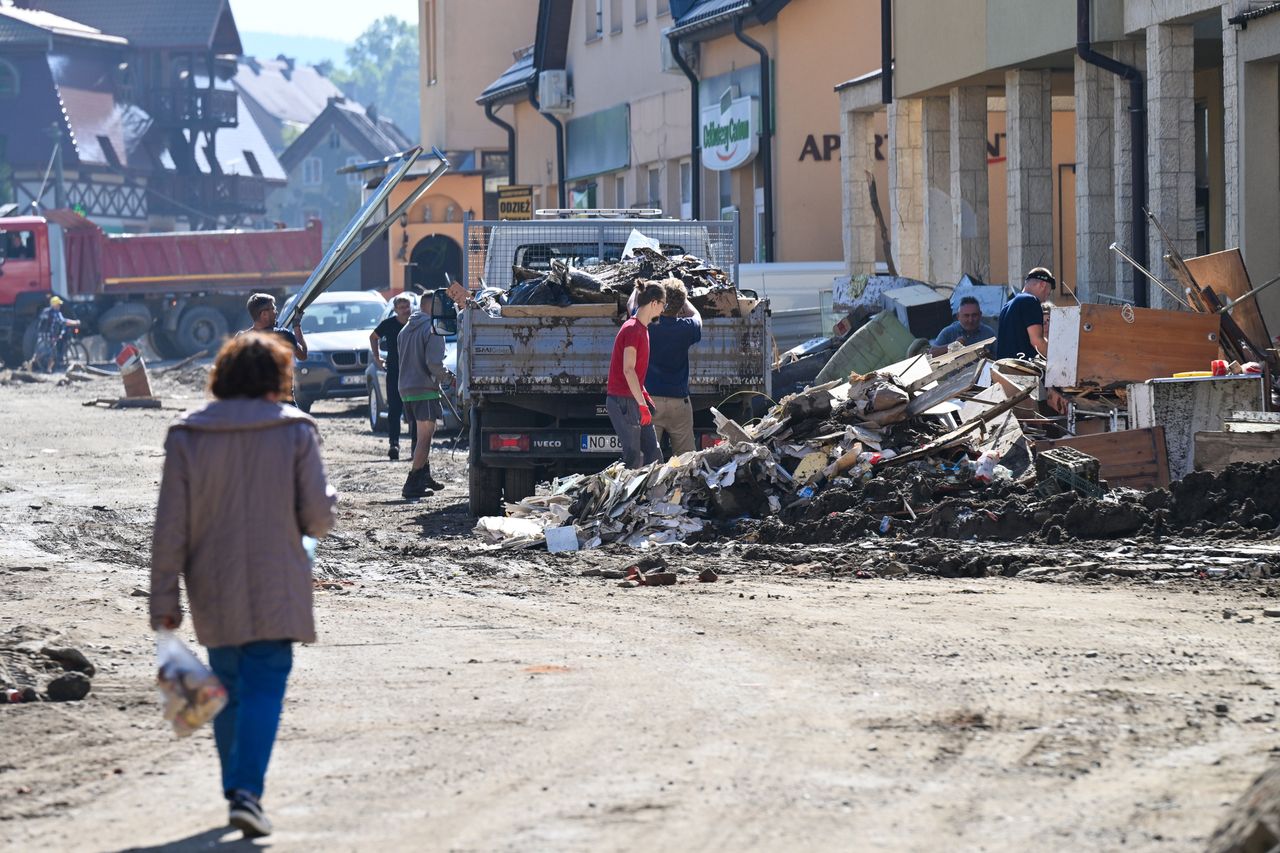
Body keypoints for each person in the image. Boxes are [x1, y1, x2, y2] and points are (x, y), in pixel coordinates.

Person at [149, 332, 337, 839]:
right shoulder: (297, 432)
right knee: (265, 683)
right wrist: (326, 502)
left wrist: (164, 600)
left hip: (212, 586)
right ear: (278, 380)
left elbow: (171, 527)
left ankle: (237, 791)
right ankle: (247, 793)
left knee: (226, 683)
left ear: (222, 377)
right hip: (278, 581)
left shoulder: (187, 436)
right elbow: (317, 519)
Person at [397, 295, 453, 499]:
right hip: (424, 389)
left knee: (423, 433)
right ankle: (412, 484)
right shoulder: (433, 329)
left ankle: (424, 476)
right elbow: (434, 363)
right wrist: (448, 377)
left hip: (406, 389)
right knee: (425, 438)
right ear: (434, 306)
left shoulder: (405, 330)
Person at [607, 281, 666, 469]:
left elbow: (634, 373)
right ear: (654, 303)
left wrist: (644, 396)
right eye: (663, 304)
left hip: (632, 400)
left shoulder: (642, 329)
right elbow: (628, 369)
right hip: (623, 402)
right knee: (633, 456)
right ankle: (628, 499)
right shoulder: (633, 330)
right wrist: (642, 405)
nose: (663, 309)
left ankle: (656, 498)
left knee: (653, 454)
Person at [644, 279, 702, 458]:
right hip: (679, 403)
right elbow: (697, 317)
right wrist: (684, 301)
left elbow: (633, 305)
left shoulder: (647, 325)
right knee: (686, 460)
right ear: (680, 306)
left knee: (647, 460)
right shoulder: (686, 328)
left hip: (650, 402)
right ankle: (683, 487)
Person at [370, 294, 414, 461]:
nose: (405, 311)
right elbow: (373, 337)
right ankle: (393, 444)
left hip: (413, 372)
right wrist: (377, 358)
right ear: (395, 310)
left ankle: (415, 446)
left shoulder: (414, 324)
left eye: (407, 307)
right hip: (394, 371)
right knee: (394, 409)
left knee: (413, 409)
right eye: (401, 308)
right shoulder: (389, 324)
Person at [994, 267, 1055, 360]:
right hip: (1022, 370)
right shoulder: (1030, 300)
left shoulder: (1007, 306)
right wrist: (1058, 359)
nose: (1045, 300)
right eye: (1047, 294)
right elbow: (1037, 341)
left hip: (1003, 368)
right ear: (1042, 285)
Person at [928, 296, 996, 356]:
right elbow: (931, 353)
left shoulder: (989, 333)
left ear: (980, 315)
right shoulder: (948, 332)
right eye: (966, 316)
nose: (970, 320)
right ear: (958, 316)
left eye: (974, 315)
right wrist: (953, 345)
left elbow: (999, 358)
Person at [33, 296, 81, 372]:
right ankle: (48, 368)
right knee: (53, 353)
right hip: (50, 335)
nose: (59, 306)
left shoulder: (46, 311)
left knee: (47, 351)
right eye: (58, 304)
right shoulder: (55, 313)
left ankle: (35, 359)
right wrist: (75, 322)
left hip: (42, 335)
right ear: (55, 305)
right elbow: (63, 321)